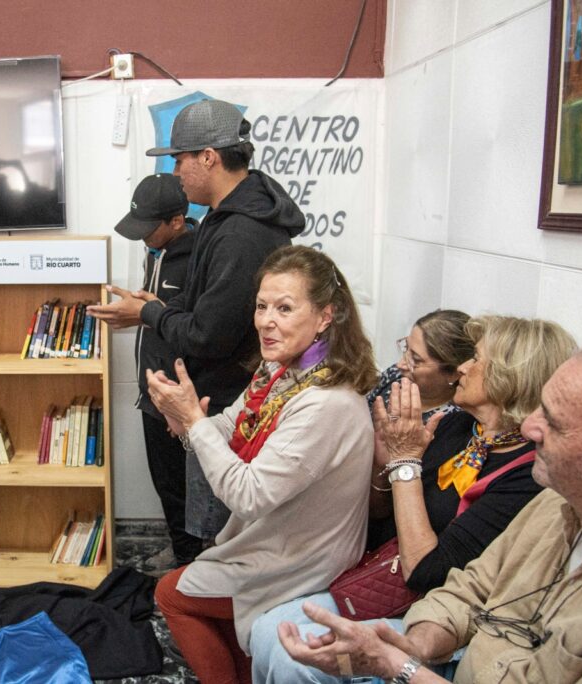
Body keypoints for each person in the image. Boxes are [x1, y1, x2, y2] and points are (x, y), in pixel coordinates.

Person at [275, 339, 582, 684]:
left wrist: (396, 664)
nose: (530, 427)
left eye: (553, 423)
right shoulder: (555, 502)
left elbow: (427, 570)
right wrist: (413, 646)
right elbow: (466, 589)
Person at [147, 245, 379, 684]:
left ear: (325, 316)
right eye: (261, 306)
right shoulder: (282, 370)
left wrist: (195, 423)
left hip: (306, 557)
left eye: (285, 308)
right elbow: (228, 425)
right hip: (277, 539)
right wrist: (185, 421)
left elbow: (249, 495)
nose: (265, 320)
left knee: (170, 594)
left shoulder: (325, 403)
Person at [89, 99, 305, 557]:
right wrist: (158, 306)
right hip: (211, 403)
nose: (176, 170)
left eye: (179, 158)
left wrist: (149, 314)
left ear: (208, 156)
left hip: (223, 405)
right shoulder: (222, 219)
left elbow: (209, 335)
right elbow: (203, 304)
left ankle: (194, 611)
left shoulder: (242, 232)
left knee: (213, 535)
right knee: (201, 523)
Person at [113, 173, 199, 567]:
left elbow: (196, 334)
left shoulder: (196, 261)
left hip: (175, 400)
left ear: (177, 222)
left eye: (149, 229)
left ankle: (187, 565)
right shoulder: (157, 253)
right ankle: (182, 554)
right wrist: (134, 315)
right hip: (153, 394)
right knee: (165, 485)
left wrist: (175, 405)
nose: (142, 236)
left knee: (183, 488)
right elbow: (162, 318)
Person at [367, 310, 474, 422]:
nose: (401, 364)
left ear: (453, 373)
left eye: (416, 360)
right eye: (406, 348)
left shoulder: (456, 421)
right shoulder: (396, 375)